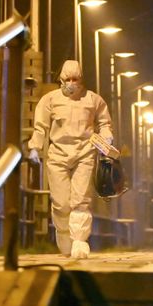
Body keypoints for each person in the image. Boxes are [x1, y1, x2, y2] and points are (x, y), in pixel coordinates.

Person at [27, 60, 114, 259]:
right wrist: (35, 148)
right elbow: (41, 126)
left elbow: (104, 122)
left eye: (75, 79)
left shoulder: (93, 100)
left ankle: (79, 241)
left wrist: (107, 135)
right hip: (57, 154)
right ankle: (64, 239)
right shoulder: (50, 100)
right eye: (68, 79)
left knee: (81, 200)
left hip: (85, 153)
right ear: (61, 79)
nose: (72, 83)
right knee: (60, 202)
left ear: (81, 79)